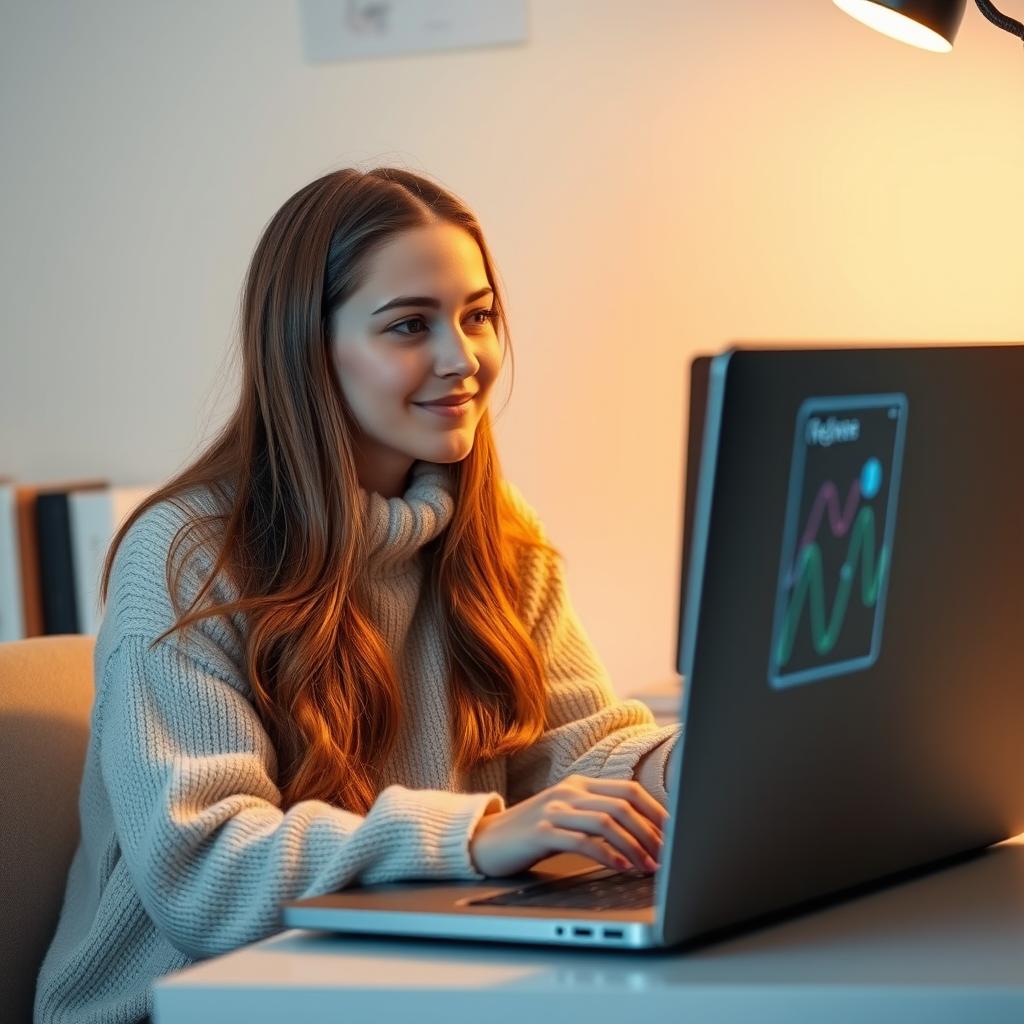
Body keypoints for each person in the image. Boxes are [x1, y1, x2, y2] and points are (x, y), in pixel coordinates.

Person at [34, 167, 681, 1024]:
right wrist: (475, 840)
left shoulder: (493, 533)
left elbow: (575, 752)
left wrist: (698, 759)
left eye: (477, 315)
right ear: (307, 347)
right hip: (189, 1004)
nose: (463, 360)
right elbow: (205, 872)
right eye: (410, 325)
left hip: (390, 977)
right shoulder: (187, 556)